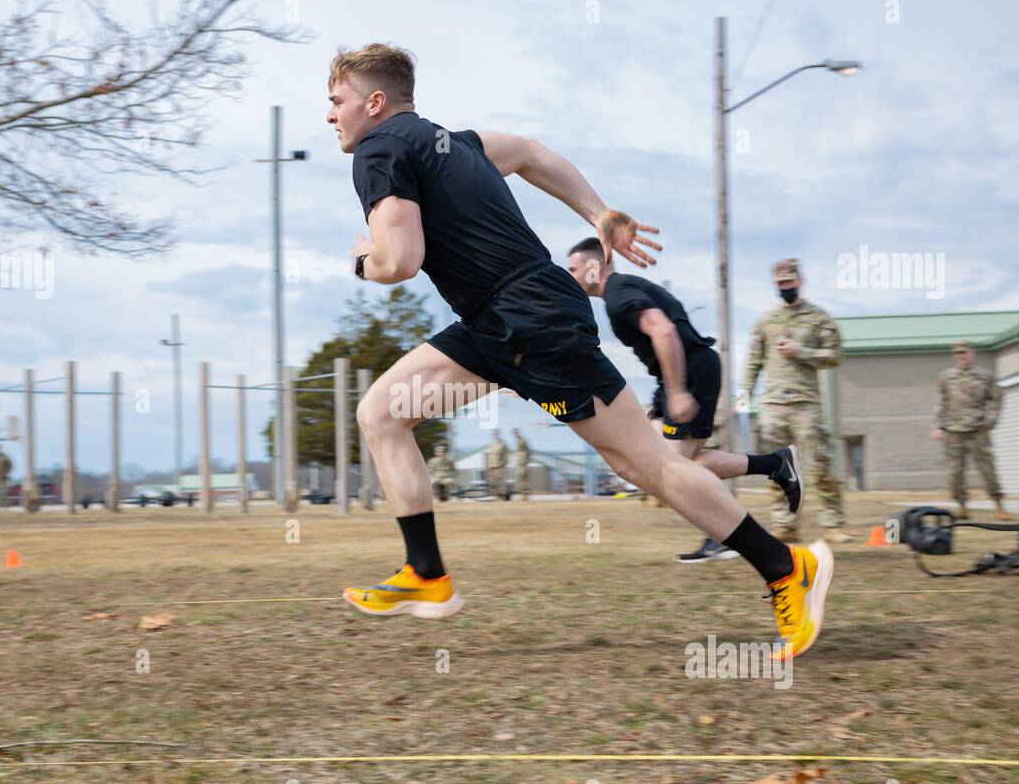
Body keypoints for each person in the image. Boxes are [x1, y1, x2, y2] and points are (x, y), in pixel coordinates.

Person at [329, 43, 831, 659]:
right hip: (493, 324)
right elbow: (534, 154)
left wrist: (362, 262)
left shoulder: (379, 151)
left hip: (528, 321)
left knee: (650, 465)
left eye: (338, 101)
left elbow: (399, 261)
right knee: (382, 413)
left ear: (374, 102)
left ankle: (786, 566)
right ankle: (427, 575)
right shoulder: (456, 142)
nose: (332, 116)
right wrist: (598, 212)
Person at [566, 238, 802, 563]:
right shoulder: (621, 291)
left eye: (573, 268)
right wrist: (664, 396)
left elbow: (664, 331)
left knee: (676, 469)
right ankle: (773, 467)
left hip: (691, 373)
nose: (570, 275)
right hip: (679, 373)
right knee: (661, 458)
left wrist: (677, 392)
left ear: (595, 266)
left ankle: (736, 518)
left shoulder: (619, 295)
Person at [742, 259, 853, 544]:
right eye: (780, 284)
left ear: (800, 280)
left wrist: (800, 350)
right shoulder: (765, 322)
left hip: (806, 404)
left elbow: (835, 355)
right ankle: (785, 524)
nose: (785, 287)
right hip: (773, 405)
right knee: (779, 468)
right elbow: (754, 362)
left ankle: (833, 525)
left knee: (820, 463)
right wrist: (744, 393)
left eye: (789, 282)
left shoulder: (819, 318)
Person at [933, 340, 1007, 520]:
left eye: (964, 352)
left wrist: (990, 421)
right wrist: (937, 425)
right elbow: (940, 402)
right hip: (953, 430)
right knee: (955, 472)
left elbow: (997, 400)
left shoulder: (985, 376)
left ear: (971, 353)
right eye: (958, 353)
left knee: (987, 469)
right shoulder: (946, 377)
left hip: (978, 430)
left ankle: (999, 506)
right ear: (954, 355)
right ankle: (962, 506)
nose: (962, 356)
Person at [485, 431, 509, 500]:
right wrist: (488, 466)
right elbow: (489, 456)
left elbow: (506, 455)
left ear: (499, 434)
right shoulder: (491, 444)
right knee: (493, 483)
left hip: (499, 466)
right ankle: (498, 496)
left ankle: (503, 497)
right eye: (494, 434)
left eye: (496, 434)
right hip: (492, 466)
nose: (495, 435)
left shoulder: (503, 444)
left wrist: (503, 463)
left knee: (500, 482)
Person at [512, 428, 531, 499]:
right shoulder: (517, 441)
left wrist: (528, 463)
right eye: (514, 433)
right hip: (519, 463)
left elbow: (528, 451)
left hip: (524, 463)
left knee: (523, 479)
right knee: (520, 479)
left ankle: (525, 495)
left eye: (516, 432)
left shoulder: (523, 440)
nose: (515, 434)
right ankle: (522, 494)